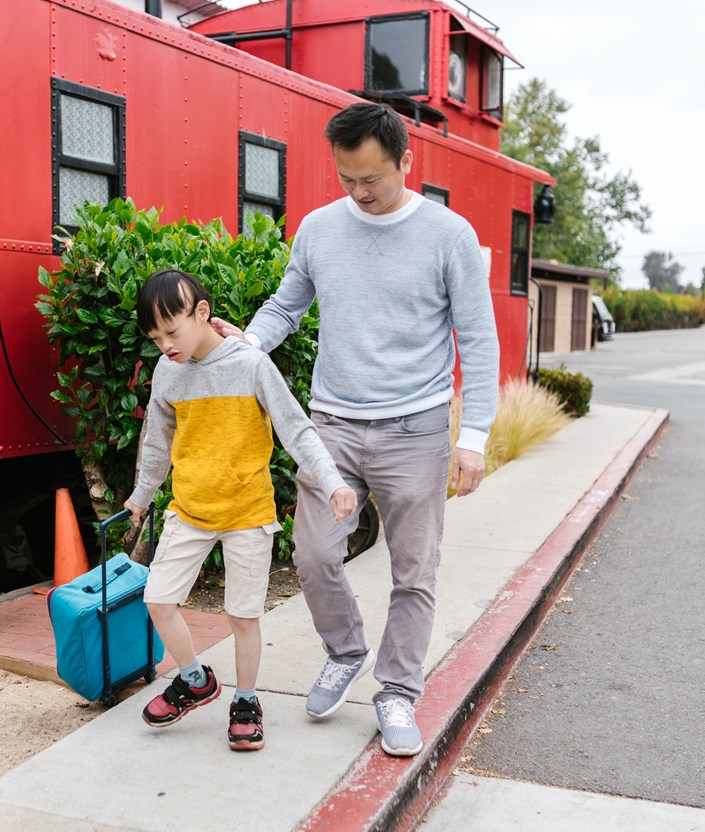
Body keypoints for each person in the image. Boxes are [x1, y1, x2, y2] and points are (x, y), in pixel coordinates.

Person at [211, 102, 499, 756]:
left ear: (405, 161)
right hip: (332, 425)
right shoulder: (319, 228)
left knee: (413, 571)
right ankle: (345, 651)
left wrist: (474, 435)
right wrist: (248, 346)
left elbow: (478, 341)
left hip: (416, 429)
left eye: (372, 178)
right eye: (347, 179)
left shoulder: (448, 236)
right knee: (312, 557)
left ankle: (396, 692)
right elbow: (287, 304)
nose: (360, 192)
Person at [124, 268, 357, 752]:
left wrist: (332, 481)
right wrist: (141, 498)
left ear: (202, 313)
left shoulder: (250, 365)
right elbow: (156, 445)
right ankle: (194, 680)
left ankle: (246, 701)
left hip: (248, 513)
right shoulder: (168, 373)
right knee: (158, 600)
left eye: (173, 330)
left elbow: (296, 428)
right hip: (190, 509)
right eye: (155, 337)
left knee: (243, 616)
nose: (165, 344)